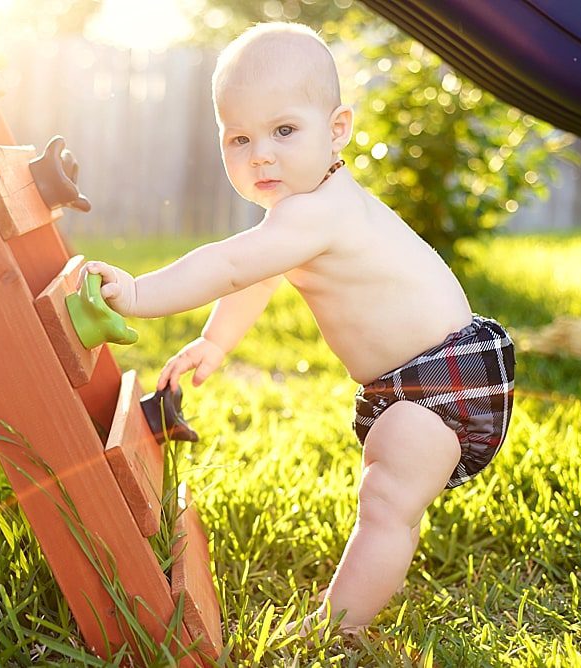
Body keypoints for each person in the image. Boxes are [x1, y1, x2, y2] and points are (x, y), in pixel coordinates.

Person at [83, 22, 515, 635]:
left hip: (448, 379)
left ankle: (336, 629)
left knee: (387, 503)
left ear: (337, 130)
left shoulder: (322, 213)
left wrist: (137, 294)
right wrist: (216, 341)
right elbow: (256, 277)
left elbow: (230, 265)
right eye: (240, 138)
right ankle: (343, 616)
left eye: (284, 130)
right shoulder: (301, 214)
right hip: (412, 382)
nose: (261, 153)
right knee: (386, 493)